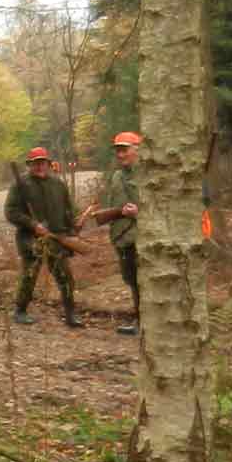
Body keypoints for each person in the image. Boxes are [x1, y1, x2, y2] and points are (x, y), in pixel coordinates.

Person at [5, 146, 83, 328]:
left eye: (42, 162)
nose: (39, 166)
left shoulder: (58, 184)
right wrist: (33, 225)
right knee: (29, 275)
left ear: (48, 164)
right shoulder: (20, 185)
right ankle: (20, 311)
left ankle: (71, 314)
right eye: (36, 163)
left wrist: (74, 224)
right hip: (30, 238)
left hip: (57, 237)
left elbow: (69, 209)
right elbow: (11, 212)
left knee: (65, 277)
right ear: (29, 165)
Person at [80, 130, 141, 335]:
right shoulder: (116, 176)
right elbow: (113, 204)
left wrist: (139, 212)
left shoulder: (149, 175)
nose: (120, 154)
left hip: (142, 238)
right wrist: (93, 212)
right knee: (132, 281)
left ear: (138, 150)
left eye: (125, 150)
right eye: (118, 151)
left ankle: (146, 324)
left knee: (145, 282)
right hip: (122, 238)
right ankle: (140, 322)